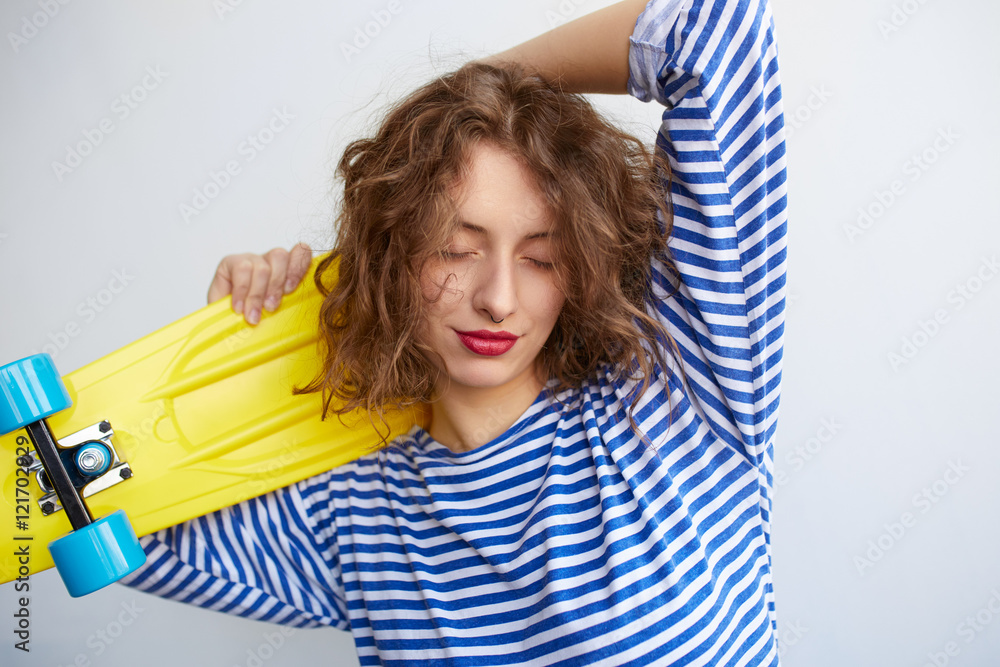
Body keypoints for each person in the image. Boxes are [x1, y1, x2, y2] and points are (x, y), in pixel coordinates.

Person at [121, 0, 788, 664]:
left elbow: (717, 26)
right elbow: (75, 520)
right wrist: (236, 348)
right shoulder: (351, 515)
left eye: (542, 257)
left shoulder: (681, 394)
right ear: (393, 256)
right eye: (454, 248)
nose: (498, 299)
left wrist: (483, 86)